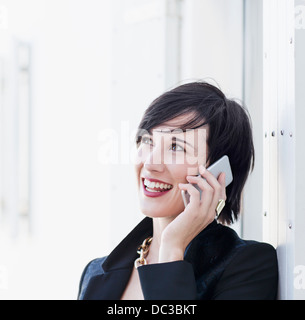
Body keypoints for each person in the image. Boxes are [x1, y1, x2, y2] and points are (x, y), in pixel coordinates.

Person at [78, 81, 278, 300]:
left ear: (219, 173)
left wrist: (172, 246)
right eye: (148, 141)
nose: (151, 163)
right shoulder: (95, 272)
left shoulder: (248, 266)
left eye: (176, 147)